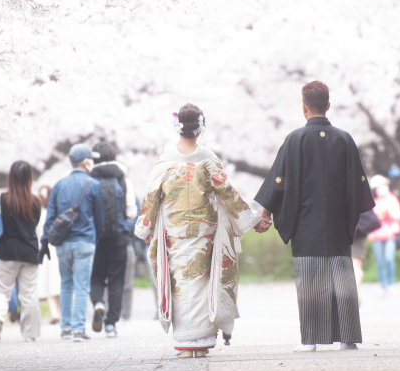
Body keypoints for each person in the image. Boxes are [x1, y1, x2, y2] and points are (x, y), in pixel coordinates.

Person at [255, 81, 375, 352]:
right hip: (337, 222)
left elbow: (278, 181)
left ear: (304, 108)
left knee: (309, 279)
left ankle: (309, 340)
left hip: (304, 222)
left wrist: (265, 214)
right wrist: (350, 218)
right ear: (328, 106)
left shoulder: (295, 139)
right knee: (342, 279)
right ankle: (347, 339)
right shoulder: (344, 139)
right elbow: (358, 186)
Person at [134, 104, 260, 358]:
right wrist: (250, 219)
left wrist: (144, 228)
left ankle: (184, 343)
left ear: (177, 126)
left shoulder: (165, 159)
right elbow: (227, 191)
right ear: (201, 127)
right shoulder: (208, 158)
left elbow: (151, 196)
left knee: (179, 284)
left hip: (175, 234)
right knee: (203, 285)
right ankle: (200, 343)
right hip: (205, 233)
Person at [39, 144, 104, 342]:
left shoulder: (59, 185)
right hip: (85, 241)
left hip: (63, 242)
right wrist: (96, 236)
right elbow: (99, 218)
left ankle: (65, 328)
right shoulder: (93, 184)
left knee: (66, 284)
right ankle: (78, 329)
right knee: (82, 286)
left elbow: (50, 217)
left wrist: (44, 241)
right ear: (86, 162)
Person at [0, 161, 42, 343]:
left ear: (10, 177)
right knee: (29, 293)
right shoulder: (35, 201)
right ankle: (30, 333)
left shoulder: (1, 199)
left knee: (2, 290)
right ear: (29, 178)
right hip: (29, 251)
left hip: (7, 250)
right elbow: (34, 225)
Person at [89, 142, 137, 338]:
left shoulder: (89, 180)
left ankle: (99, 303)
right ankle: (111, 325)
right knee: (117, 281)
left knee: (97, 276)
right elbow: (132, 211)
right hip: (119, 239)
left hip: (96, 239)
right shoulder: (124, 180)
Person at [368, 175, 400, 294]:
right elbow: (369, 218)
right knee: (380, 262)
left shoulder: (392, 199)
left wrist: (388, 214)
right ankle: (383, 286)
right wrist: (379, 217)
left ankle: (391, 283)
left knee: (389, 259)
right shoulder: (373, 201)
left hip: (390, 235)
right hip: (376, 236)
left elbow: (399, 216)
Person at [35, 186, 60, 324]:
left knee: (48, 282)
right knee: (56, 282)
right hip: (55, 249)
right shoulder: (55, 213)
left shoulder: (38, 213)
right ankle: (58, 312)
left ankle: (55, 313)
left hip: (43, 249)